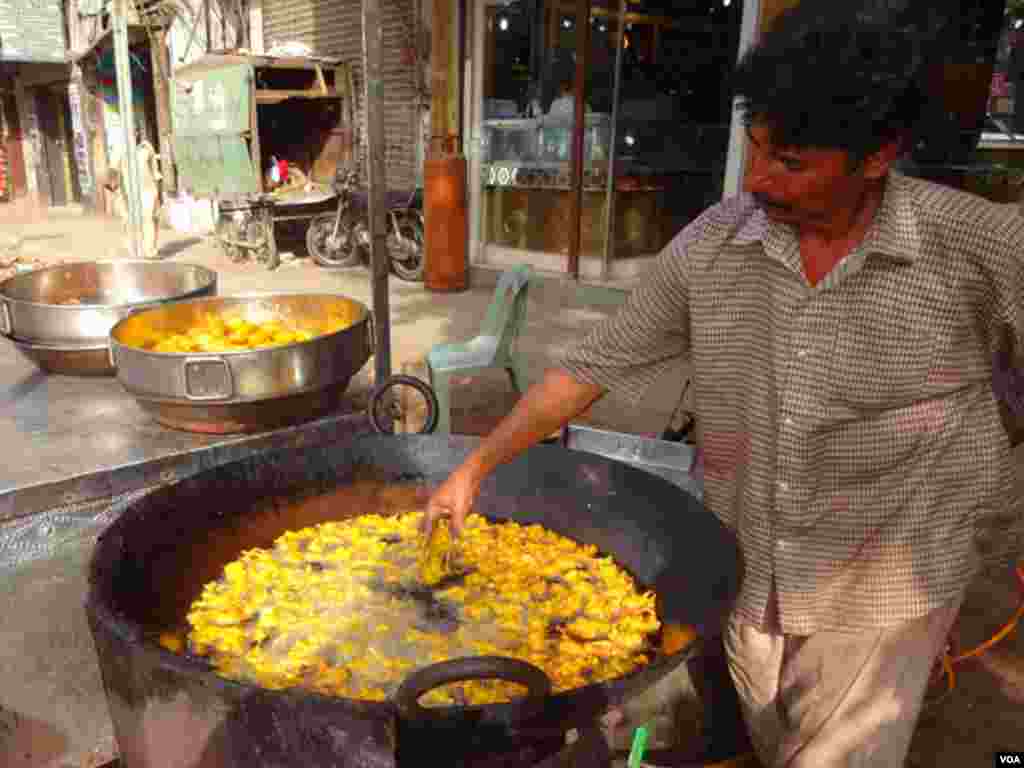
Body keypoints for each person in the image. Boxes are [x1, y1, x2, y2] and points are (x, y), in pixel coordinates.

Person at [425, 2, 1024, 766]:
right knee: (771, 735)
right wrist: (476, 468)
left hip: (887, 583)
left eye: (793, 164)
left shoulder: (976, 245)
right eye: (757, 150)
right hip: (749, 561)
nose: (760, 180)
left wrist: (993, 468)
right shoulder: (717, 241)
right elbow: (594, 362)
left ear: (878, 157)